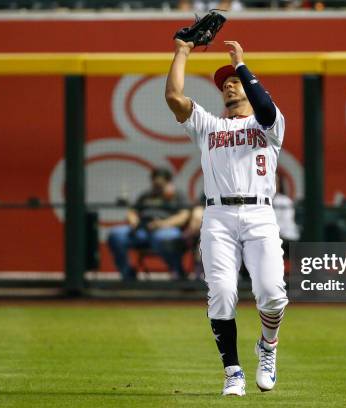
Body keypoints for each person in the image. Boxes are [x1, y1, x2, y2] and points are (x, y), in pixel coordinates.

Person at [165, 39, 288, 396]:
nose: (228, 85)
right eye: (224, 84)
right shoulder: (208, 126)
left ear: (248, 84)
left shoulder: (270, 125)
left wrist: (240, 64)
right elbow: (174, 97)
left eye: (233, 81)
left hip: (259, 212)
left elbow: (264, 106)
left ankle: (268, 345)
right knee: (220, 293)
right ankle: (233, 371)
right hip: (218, 214)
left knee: (272, 295)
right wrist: (183, 51)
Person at [107, 168, 190, 281]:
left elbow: (183, 216)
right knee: (116, 235)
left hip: (165, 229)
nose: (157, 187)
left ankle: (178, 272)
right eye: (155, 183)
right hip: (142, 230)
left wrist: (162, 224)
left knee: (164, 238)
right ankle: (127, 274)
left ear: (169, 182)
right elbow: (132, 211)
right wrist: (133, 220)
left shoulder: (178, 195)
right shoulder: (146, 195)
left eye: (161, 184)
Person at [272, 171, 300, 258]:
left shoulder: (284, 201)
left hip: (286, 238)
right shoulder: (258, 202)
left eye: (275, 182)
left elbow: (285, 224)